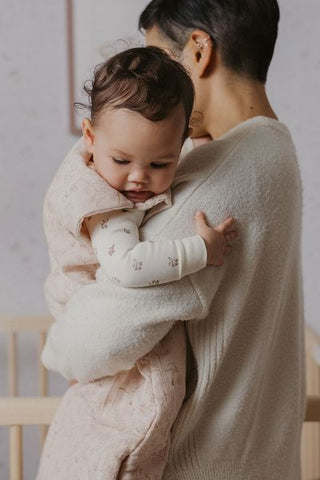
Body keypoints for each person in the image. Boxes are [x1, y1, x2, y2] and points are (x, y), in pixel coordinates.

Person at [40, 1, 307, 479]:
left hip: (193, 462)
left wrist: (58, 342)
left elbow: (82, 348)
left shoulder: (209, 189)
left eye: (160, 58)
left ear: (198, 50)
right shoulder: (275, 151)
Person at [37, 46, 237, 479]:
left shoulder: (120, 160)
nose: (138, 178)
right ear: (90, 137)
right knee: (142, 415)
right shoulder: (104, 206)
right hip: (89, 319)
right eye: (122, 160)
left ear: (181, 144)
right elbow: (127, 267)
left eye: (161, 163)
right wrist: (201, 250)